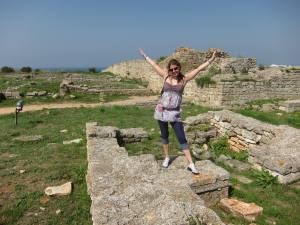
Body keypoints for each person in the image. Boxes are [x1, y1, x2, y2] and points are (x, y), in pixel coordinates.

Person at [139, 48, 217, 174]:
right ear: (168, 70)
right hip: (162, 111)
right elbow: (154, 65)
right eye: (171, 69)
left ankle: (191, 164)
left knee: (181, 137)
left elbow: (198, 69)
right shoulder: (165, 77)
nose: (174, 71)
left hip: (174, 113)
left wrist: (211, 60)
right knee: (164, 136)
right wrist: (145, 56)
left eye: (176, 68)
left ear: (179, 68)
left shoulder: (184, 80)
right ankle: (166, 157)